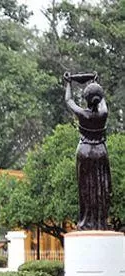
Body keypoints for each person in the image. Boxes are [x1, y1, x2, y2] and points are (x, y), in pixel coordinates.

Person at [64, 72, 112, 231]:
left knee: (85, 188)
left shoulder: (83, 114)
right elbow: (102, 99)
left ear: (86, 99)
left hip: (85, 151)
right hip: (100, 152)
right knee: (100, 187)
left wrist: (69, 83)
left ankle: (86, 221)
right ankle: (100, 221)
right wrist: (96, 83)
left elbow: (68, 100)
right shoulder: (103, 114)